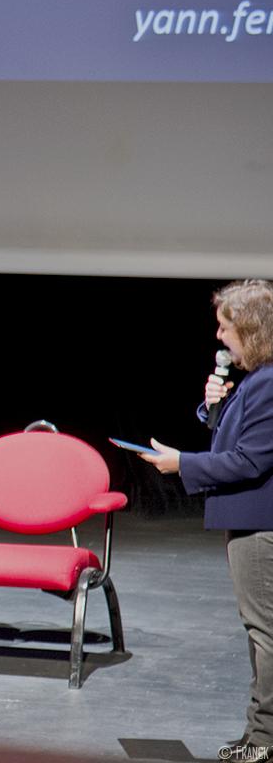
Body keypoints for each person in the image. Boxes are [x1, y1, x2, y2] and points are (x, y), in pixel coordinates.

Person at [141, 279, 273, 757]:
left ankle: (264, 738)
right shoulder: (257, 380)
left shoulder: (270, 382)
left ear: (252, 329)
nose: (219, 337)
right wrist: (215, 406)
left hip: (261, 526)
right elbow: (238, 437)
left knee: (265, 632)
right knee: (259, 630)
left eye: (225, 327)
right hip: (249, 521)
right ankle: (260, 734)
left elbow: (249, 460)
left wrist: (183, 463)